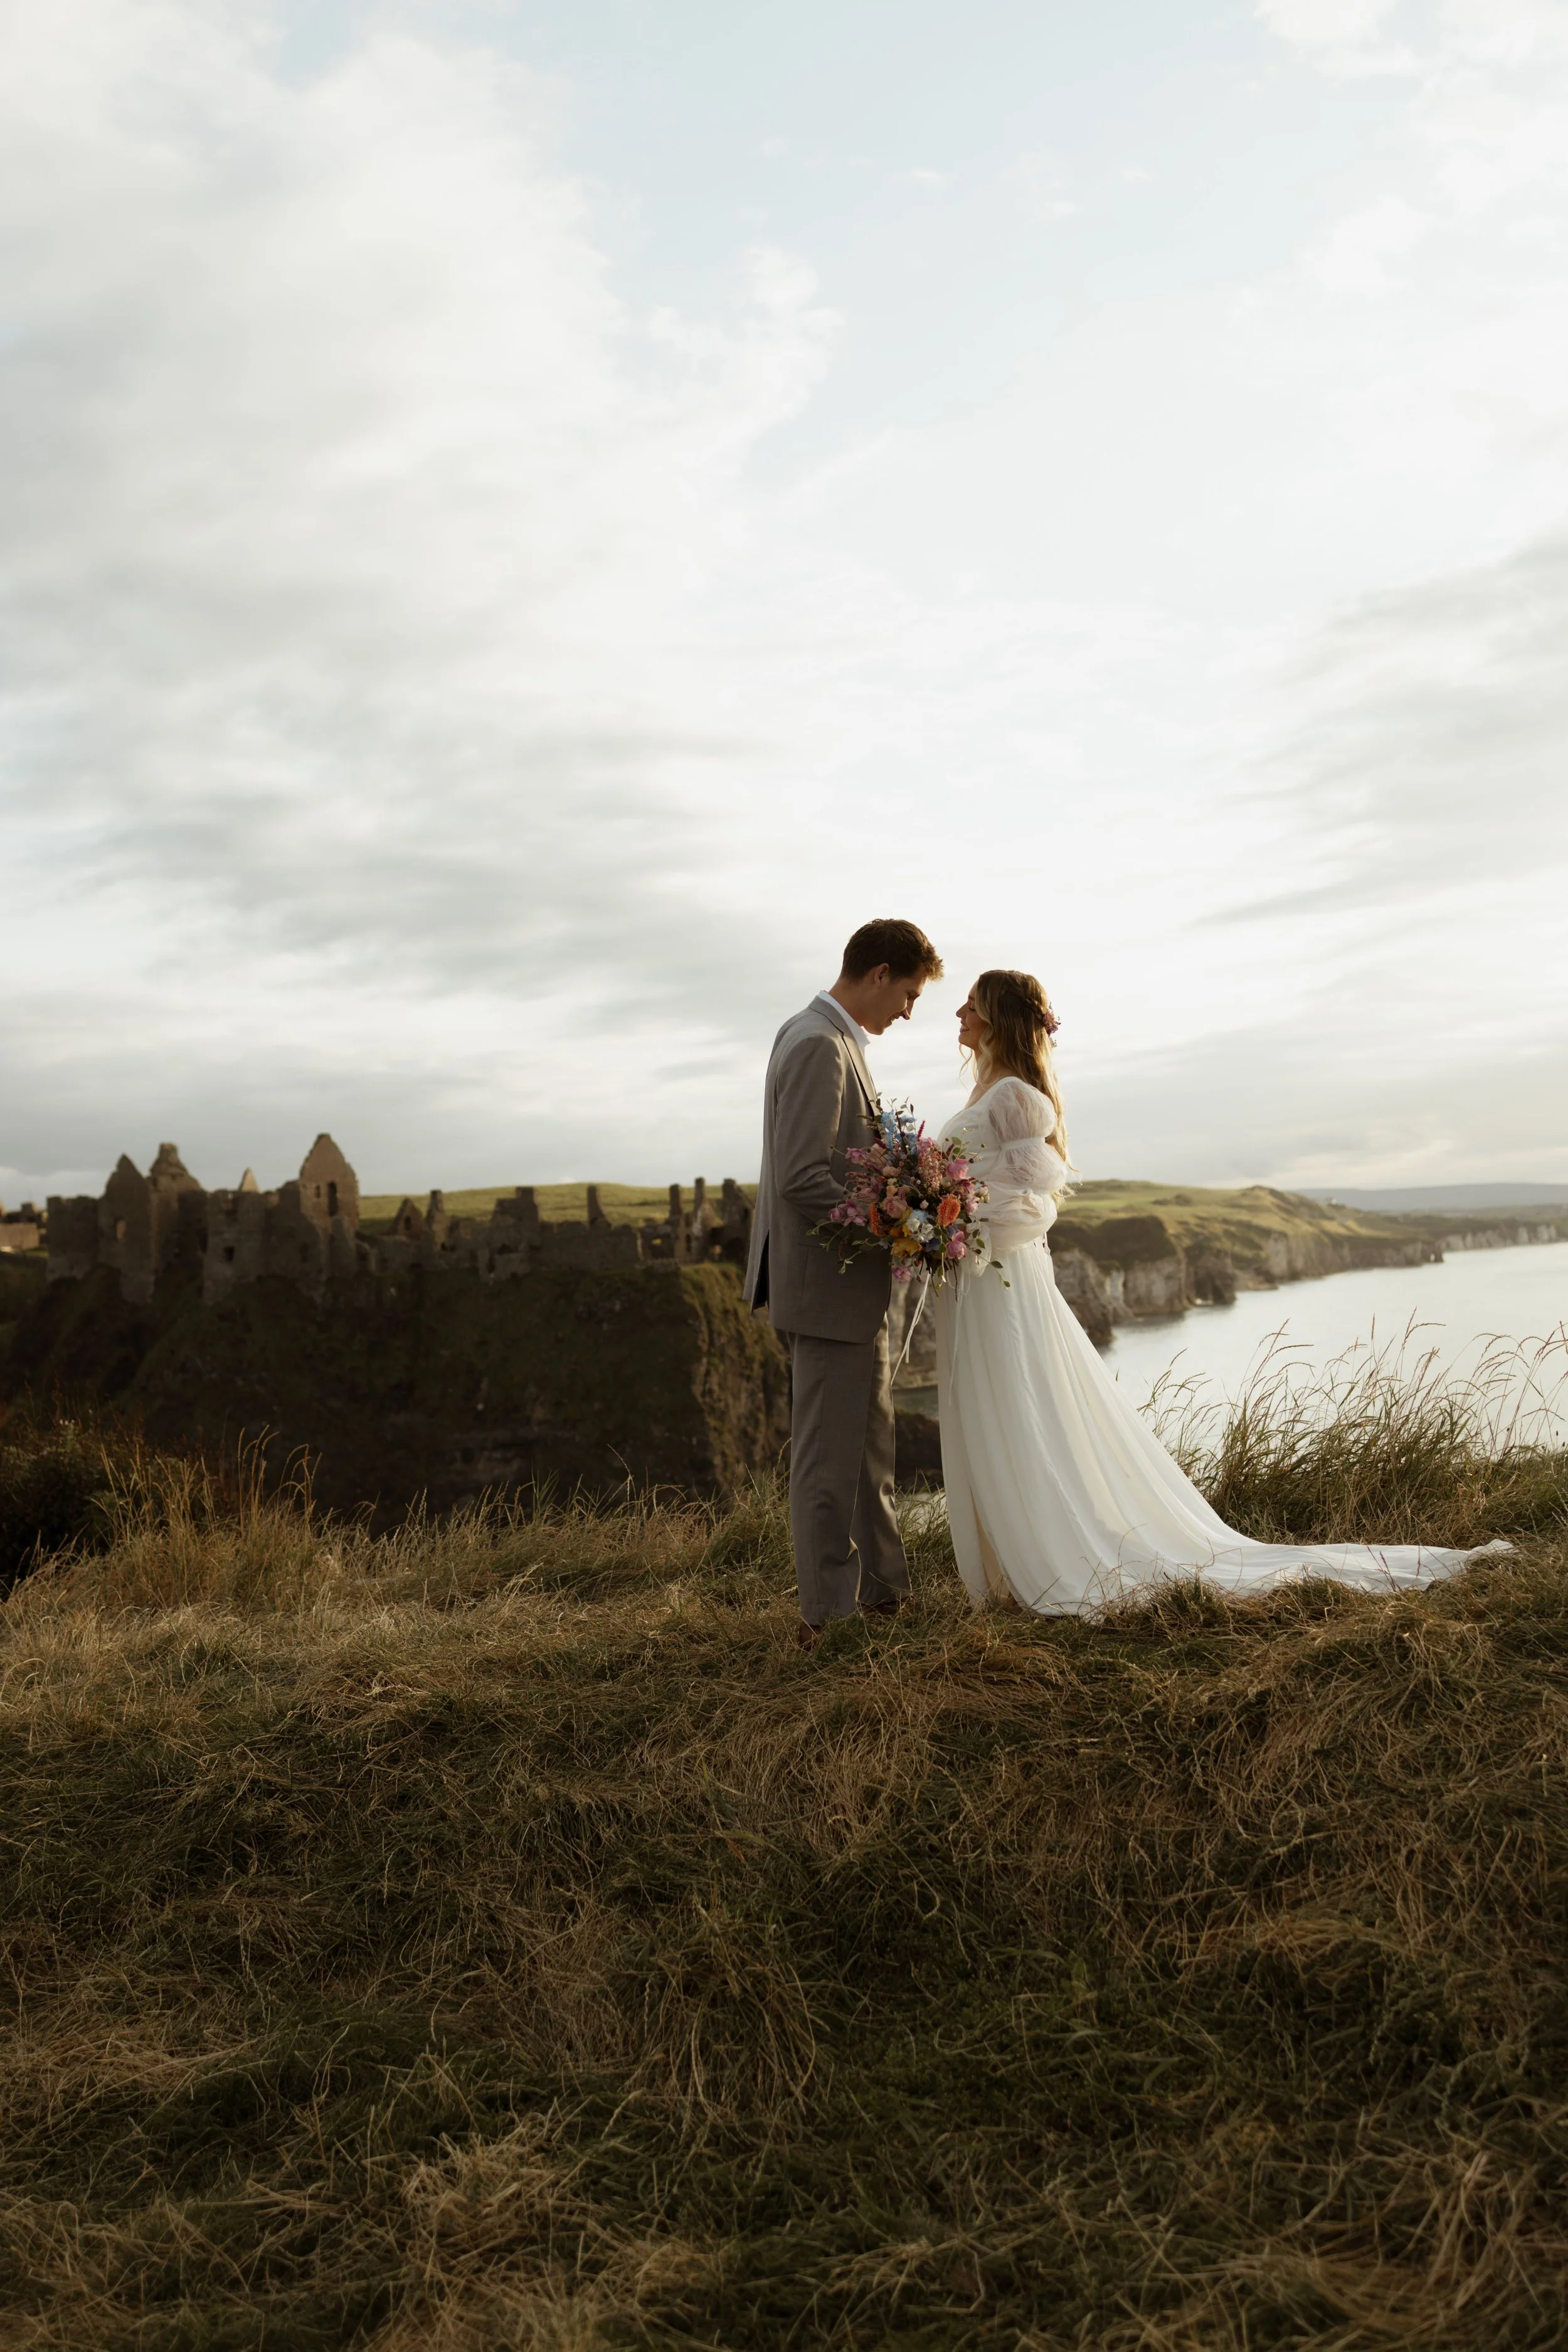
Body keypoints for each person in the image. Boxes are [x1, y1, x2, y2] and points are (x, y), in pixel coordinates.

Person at [935, 968, 1507, 1613]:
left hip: (1000, 1281)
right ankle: (1009, 1561)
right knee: (993, 1401)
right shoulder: (987, 1087)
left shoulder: (1014, 1095)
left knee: (1015, 1398)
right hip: (977, 1279)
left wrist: (951, 1223)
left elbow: (1033, 1203)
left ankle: (1041, 1554)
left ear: (999, 1019)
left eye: (972, 1004)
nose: (959, 1010)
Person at [745, 919, 944, 1646]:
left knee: (870, 1451)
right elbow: (802, 1177)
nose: (909, 1012)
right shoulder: (816, 1045)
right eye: (910, 994)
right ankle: (825, 1618)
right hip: (828, 1293)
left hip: (846, 1293)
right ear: (879, 973)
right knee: (827, 1467)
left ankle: (886, 1594)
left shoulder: (825, 1038)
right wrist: (896, 1221)